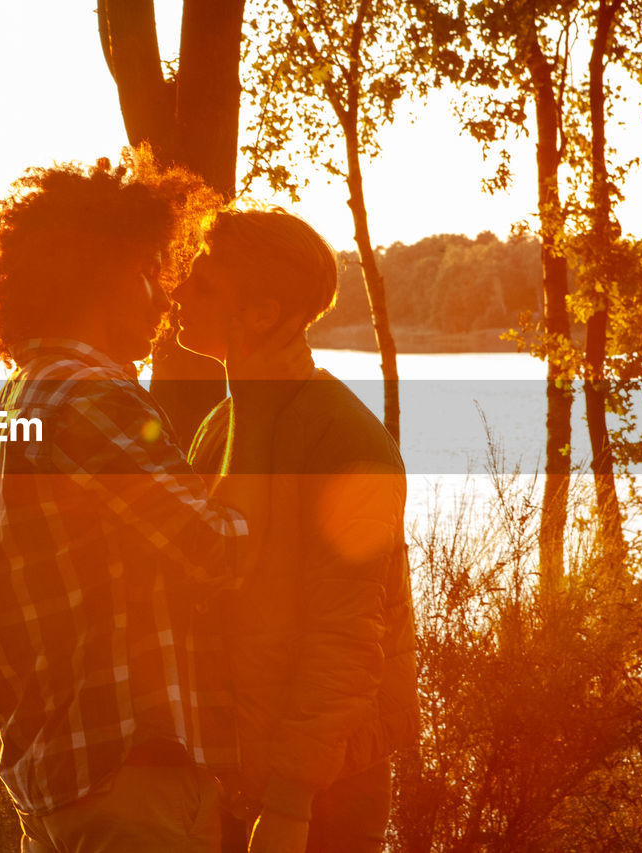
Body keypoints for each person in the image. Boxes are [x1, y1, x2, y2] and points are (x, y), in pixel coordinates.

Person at [0, 158, 310, 853]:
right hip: (131, 787)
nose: (166, 295)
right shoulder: (93, 401)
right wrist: (264, 422)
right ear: (103, 273)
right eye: (152, 269)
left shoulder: (2, 415)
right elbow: (224, 550)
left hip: (53, 793)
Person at [175, 208, 419, 853]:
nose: (176, 292)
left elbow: (346, 630)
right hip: (238, 776)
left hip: (320, 794)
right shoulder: (227, 423)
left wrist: (290, 803)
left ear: (261, 313)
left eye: (202, 283)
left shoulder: (344, 437)